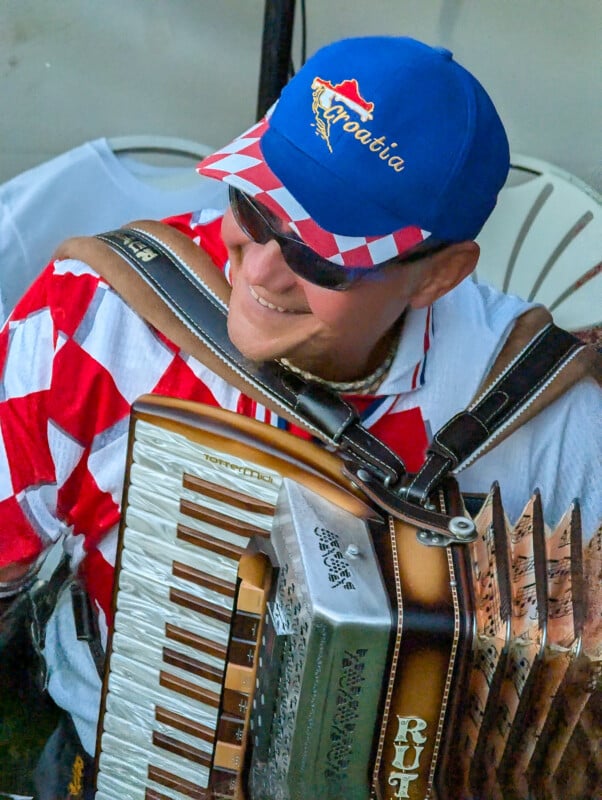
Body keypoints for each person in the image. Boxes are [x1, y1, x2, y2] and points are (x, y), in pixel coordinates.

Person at [0, 36, 599, 799]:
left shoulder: (541, 418)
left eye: (322, 256)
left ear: (439, 276)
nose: (259, 267)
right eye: (253, 203)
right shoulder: (95, 319)